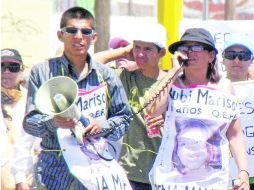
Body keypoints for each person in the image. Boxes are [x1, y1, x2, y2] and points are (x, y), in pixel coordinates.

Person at [23, 6, 131, 190]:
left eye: (85, 31)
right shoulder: (41, 72)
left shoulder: (107, 76)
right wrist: (53, 122)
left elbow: (124, 118)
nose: (78, 36)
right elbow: (29, 123)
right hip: (54, 173)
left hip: (95, 172)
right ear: (60, 35)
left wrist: (101, 125)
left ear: (93, 37)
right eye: (71, 31)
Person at [146, 28, 249, 190]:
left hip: (213, 182)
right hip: (171, 182)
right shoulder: (171, 83)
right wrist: (173, 71)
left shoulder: (225, 87)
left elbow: (235, 134)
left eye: (197, 48)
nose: (189, 53)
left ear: (211, 56)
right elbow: (153, 110)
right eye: (185, 48)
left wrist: (243, 171)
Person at [95, 23, 166, 189]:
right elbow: (91, 63)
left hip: (160, 174)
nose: (140, 54)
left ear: (161, 53)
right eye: (137, 47)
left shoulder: (172, 81)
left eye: (148, 49)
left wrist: (167, 119)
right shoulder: (124, 76)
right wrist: (124, 51)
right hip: (126, 173)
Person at [1, 48, 37, 190]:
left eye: (13, 67)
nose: (7, 72)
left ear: (22, 71)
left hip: (26, 179)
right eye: (1, 66)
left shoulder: (33, 101)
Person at [222, 34, 254, 190]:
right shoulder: (209, 89)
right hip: (221, 174)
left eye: (243, 56)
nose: (236, 60)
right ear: (223, 59)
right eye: (231, 55)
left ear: (251, 60)